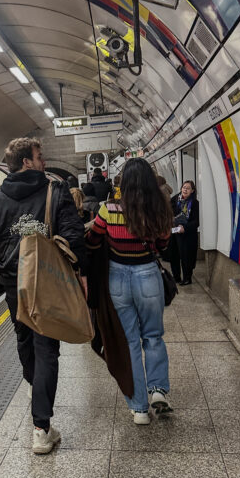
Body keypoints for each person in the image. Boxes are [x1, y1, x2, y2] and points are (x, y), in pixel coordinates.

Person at [0, 138, 87, 454]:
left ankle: (34, 388)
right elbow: (73, 235)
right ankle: (41, 428)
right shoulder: (56, 190)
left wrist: (8, 257)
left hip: (14, 286)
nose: (43, 161)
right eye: (39, 157)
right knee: (47, 349)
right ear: (26, 162)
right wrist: (80, 272)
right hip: (47, 283)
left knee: (24, 340)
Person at [86, 158, 172, 423]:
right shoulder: (160, 209)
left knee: (130, 341)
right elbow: (164, 245)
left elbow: (92, 241)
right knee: (154, 336)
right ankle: (158, 390)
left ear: (123, 183)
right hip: (147, 275)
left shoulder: (109, 210)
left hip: (118, 278)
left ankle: (138, 409)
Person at [170, 180, 200, 286]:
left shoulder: (195, 204)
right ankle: (176, 276)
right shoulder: (174, 200)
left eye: (188, 188)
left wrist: (185, 227)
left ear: (192, 191)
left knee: (186, 257)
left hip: (187, 235)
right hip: (174, 232)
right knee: (174, 255)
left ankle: (187, 278)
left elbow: (196, 222)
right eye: (184, 187)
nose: (185, 189)